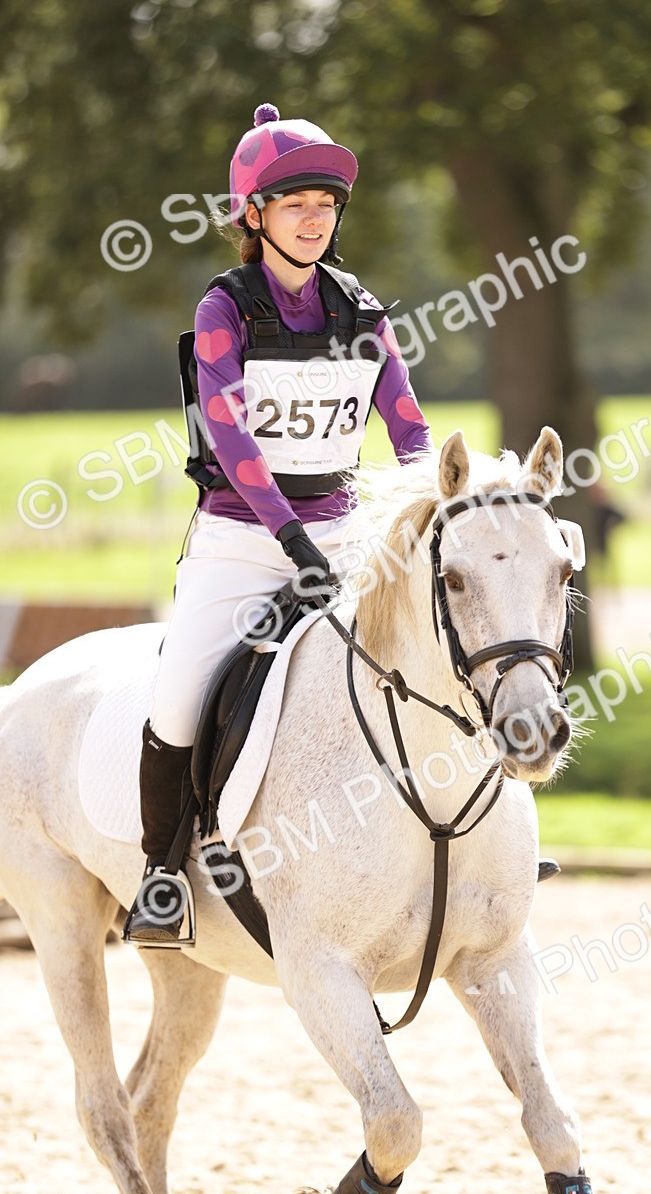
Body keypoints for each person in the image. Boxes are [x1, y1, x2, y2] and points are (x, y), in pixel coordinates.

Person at [123, 103, 432, 947]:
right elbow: (234, 440)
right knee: (181, 698)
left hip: (343, 536)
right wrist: (290, 541)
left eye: (327, 204)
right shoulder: (226, 309)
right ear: (252, 215)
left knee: (436, 659)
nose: (316, 217)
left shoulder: (362, 311)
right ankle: (160, 876)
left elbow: (407, 425)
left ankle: (464, 842)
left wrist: (436, 497)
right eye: (296, 201)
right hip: (239, 540)